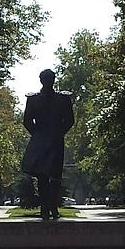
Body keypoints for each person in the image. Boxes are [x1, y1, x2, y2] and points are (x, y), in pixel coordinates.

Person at [20, 69, 75, 221]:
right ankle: (47, 207)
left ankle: (52, 206)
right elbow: (27, 120)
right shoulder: (34, 100)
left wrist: (55, 134)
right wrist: (40, 135)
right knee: (44, 176)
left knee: (54, 175)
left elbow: (70, 120)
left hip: (53, 141)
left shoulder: (63, 99)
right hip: (46, 142)